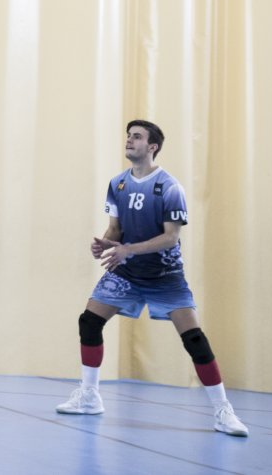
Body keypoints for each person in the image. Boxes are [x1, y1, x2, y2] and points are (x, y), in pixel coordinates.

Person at [54, 120, 249, 437]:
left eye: (137, 137)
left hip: (164, 276)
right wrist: (106, 243)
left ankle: (223, 411)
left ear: (153, 146)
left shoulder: (171, 188)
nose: (129, 141)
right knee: (89, 321)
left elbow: (170, 238)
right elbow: (116, 230)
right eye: (128, 136)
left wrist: (128, 249)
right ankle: (89, 397)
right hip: (127, 274)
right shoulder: (118, 184)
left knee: (195, 340)